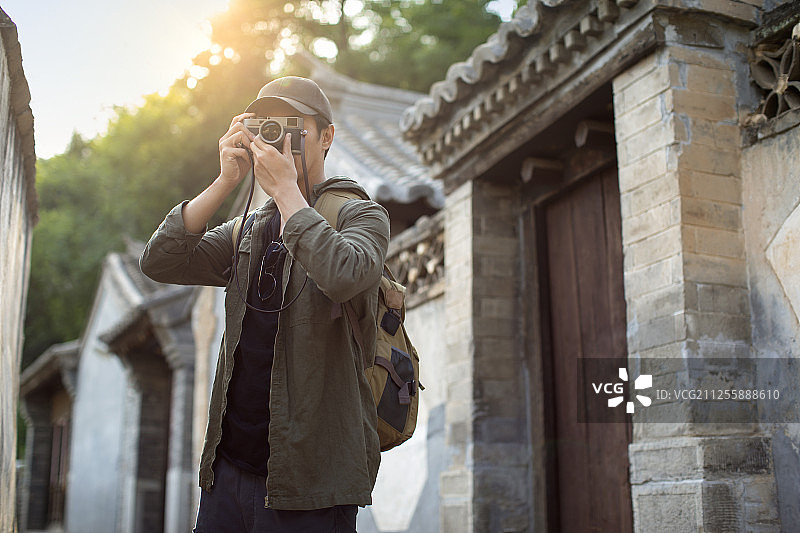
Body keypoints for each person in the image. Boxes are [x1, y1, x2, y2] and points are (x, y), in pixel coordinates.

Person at [140, 76, 389, 533]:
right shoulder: (247, 230)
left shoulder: (360, 214)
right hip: (226, 474)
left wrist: (288, 192)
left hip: (310, 484)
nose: (278, 142)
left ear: (326, 136)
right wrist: (224, 181)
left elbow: (345, 274)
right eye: (266, 129)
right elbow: (160, 260)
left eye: (293, 130)